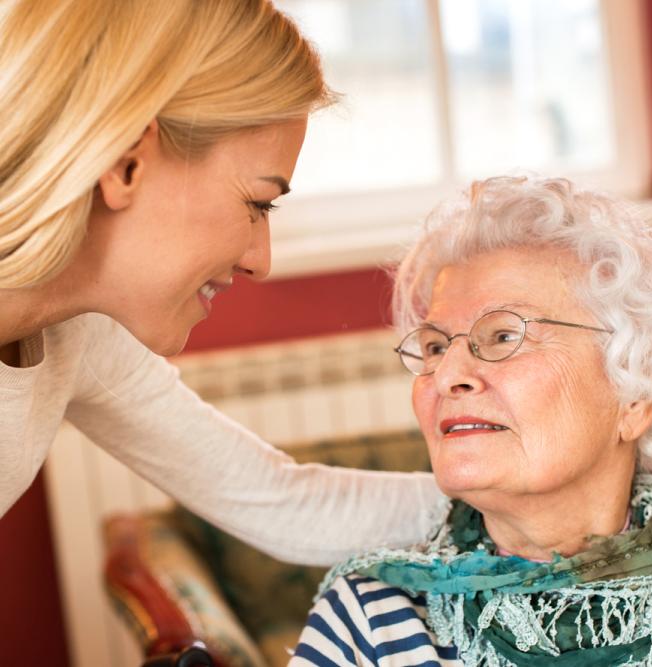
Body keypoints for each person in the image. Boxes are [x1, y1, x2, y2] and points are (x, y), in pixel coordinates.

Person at [0, 0, 443, 566]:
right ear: (123, 165)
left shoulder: (78, 333)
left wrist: (550, 499)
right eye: (257, 203)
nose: (262, 261)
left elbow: (280, 502)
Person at [291, 176, 652, 666]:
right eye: (434, 346)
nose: (446, 374)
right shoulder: (371, 623)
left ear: (634, 396)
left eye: (504, 336)